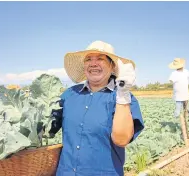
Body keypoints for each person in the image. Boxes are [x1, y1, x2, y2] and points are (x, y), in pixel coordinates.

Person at [49, 40, 144, 176]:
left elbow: (121, 139)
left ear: (112, 66)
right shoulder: (69, 94)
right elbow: (48, 127)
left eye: (100, 58)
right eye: (88, 59)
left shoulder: (123, 98)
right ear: (84, 65)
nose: (93, 63)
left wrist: (123, 93)